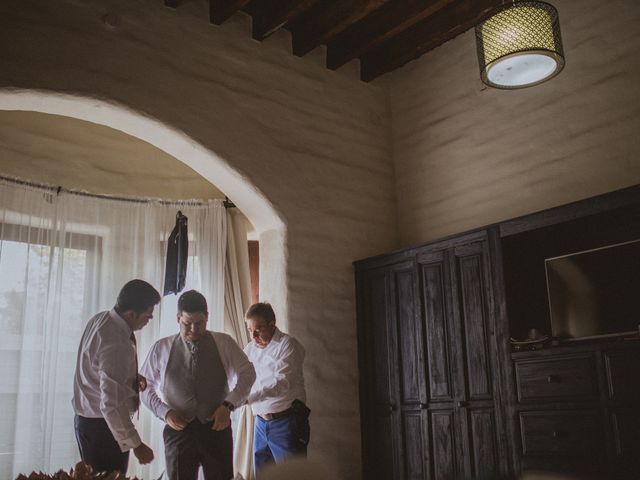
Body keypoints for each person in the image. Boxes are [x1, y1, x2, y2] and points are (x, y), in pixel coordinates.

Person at [140, 290, 256, 480]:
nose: (193, 329)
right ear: (178, 318)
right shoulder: (161, 347)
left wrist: (228, 405)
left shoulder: (224, 342)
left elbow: (248, 373)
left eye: (199, 323)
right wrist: (165, 412)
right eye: (187, 323)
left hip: (216, 428)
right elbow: (144, 387)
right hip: (178, 432)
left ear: (207, 318)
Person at [72, 279, 160, 474]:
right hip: (103, 428)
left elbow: (98, 367)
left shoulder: (101, 319)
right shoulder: (116, 344)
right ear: (131, 314)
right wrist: (136, 444)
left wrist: (129, 376)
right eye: (147, 316)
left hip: (87, 422)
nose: (149, 320)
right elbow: (111, 404)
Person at [244, 302, 310, 475]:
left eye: (258, 329)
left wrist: (247, 398)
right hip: (260, 423)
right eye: (250, 330)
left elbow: (281, 384)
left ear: (272, 324)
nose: (253, 335)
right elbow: (239, 375)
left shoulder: (288, 345)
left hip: (286, 422)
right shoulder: (250, 349)